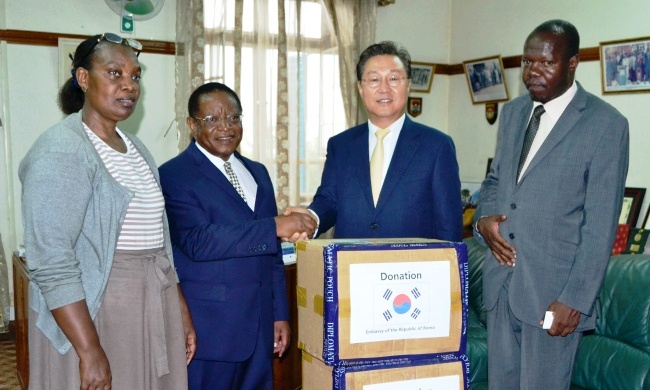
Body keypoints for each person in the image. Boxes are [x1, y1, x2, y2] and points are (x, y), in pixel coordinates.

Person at [19, 33, 196, 389]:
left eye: (135, 76)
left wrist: (179, 308)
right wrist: (89, 349)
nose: (129, 86)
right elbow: (52, 260)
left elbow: (158, 241)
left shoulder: (136, 148)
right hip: (93, 311)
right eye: (114, 73)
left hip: (148, 299)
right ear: (83, 78)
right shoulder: (62, 150)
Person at [474, 20, 629, 389]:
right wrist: (482, 222)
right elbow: (496, 181)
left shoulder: (606, 124)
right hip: (501, 288)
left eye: (546, 63)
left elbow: (600, 224)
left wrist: (574, 300)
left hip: (553, 298)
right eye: (527, 63)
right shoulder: (512, 114)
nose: (533, 73)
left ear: (573, 63)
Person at [159, 82, 317, 389]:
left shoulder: (257, 172)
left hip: (260, 330)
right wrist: (274, 226)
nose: (226, 127)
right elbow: (198, 242)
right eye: (213, 120)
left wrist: (279, 315)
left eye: (233, 118)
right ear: (192, 125)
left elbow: (271, 255)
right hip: (211, 331)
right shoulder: (174, 174)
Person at [287, 41, 462, 241]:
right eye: (374, 80)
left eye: (394, 79)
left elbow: (449, 224)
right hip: (351, 265)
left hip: (411, 269)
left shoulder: (437, 146)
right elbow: (329, 200)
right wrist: (311, 219)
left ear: (409, 85)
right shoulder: (341, 145)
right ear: (360, 88)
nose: (384, 89)